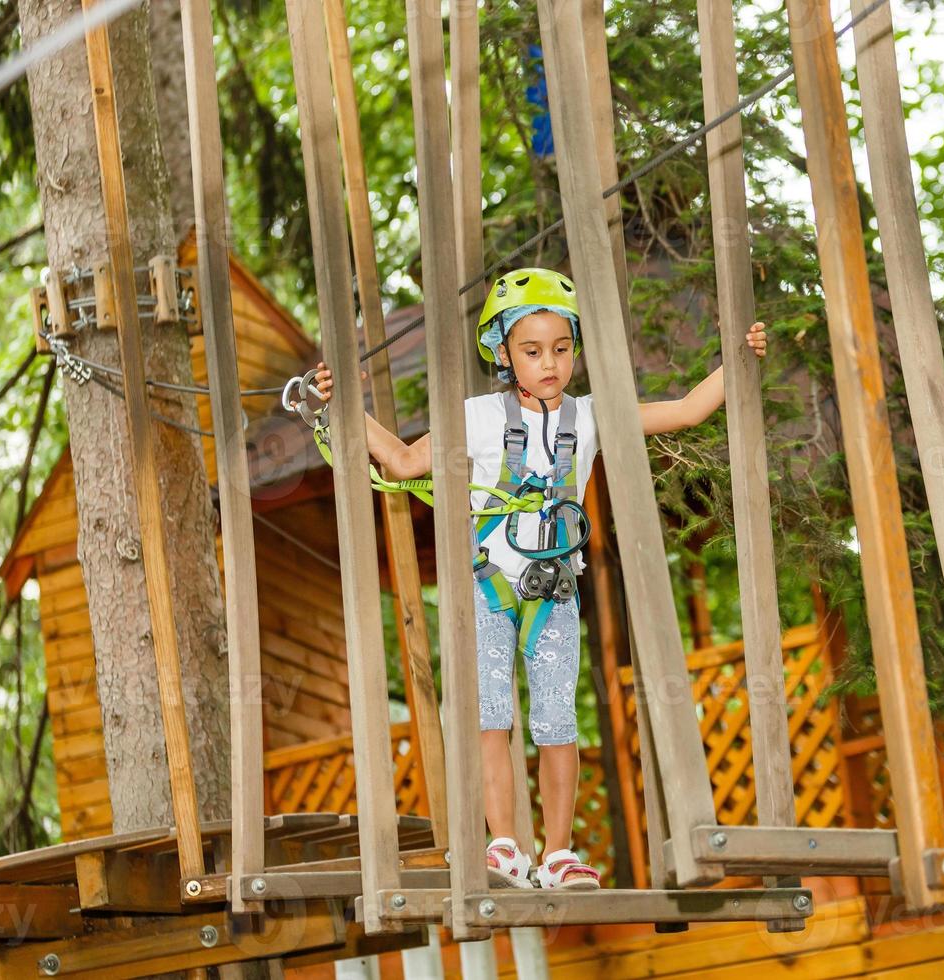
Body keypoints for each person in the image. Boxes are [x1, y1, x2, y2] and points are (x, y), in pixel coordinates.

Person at [314, 267, 767, 889]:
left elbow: (686, 411)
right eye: (532, 351)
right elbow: (400, 461)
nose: (549, 363)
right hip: (488, 588)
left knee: (556, 722)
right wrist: (343, 405)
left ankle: (558, 851)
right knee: (490, 715)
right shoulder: (476, 418)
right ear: (503, 355)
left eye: (560, 348)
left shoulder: (592, 416)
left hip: (554, 592)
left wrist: (739, 358)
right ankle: (503, 844)